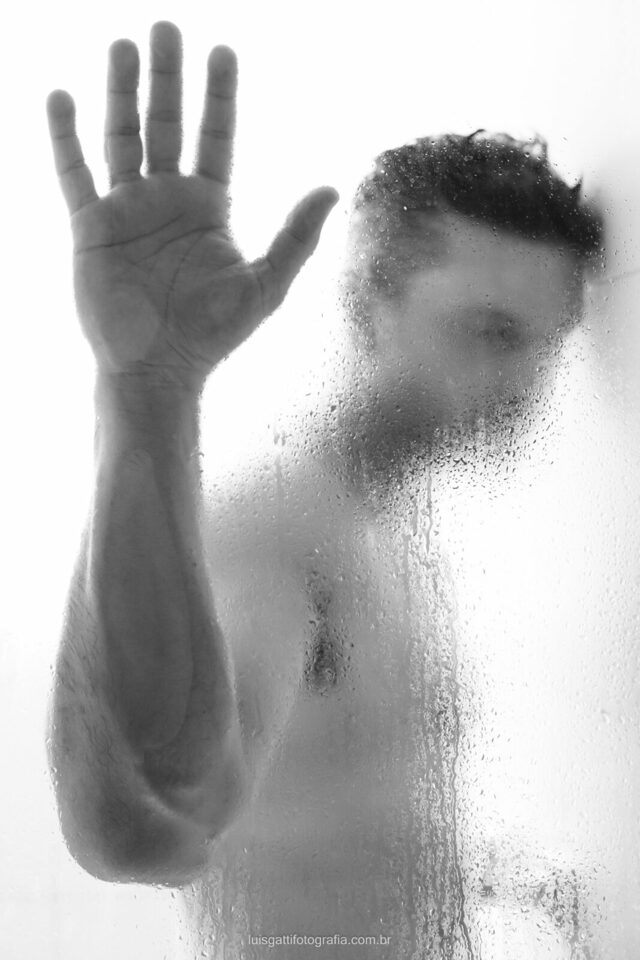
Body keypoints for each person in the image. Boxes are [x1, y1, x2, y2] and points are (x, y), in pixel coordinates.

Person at [46, 20, 603, 959]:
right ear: (368, 303)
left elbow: (337, 805)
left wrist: (502, 879)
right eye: (488, 333)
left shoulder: (377, 523)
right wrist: (144, 397)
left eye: (542, 347)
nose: (521, 387)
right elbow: (146, 829)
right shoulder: (277, 535)